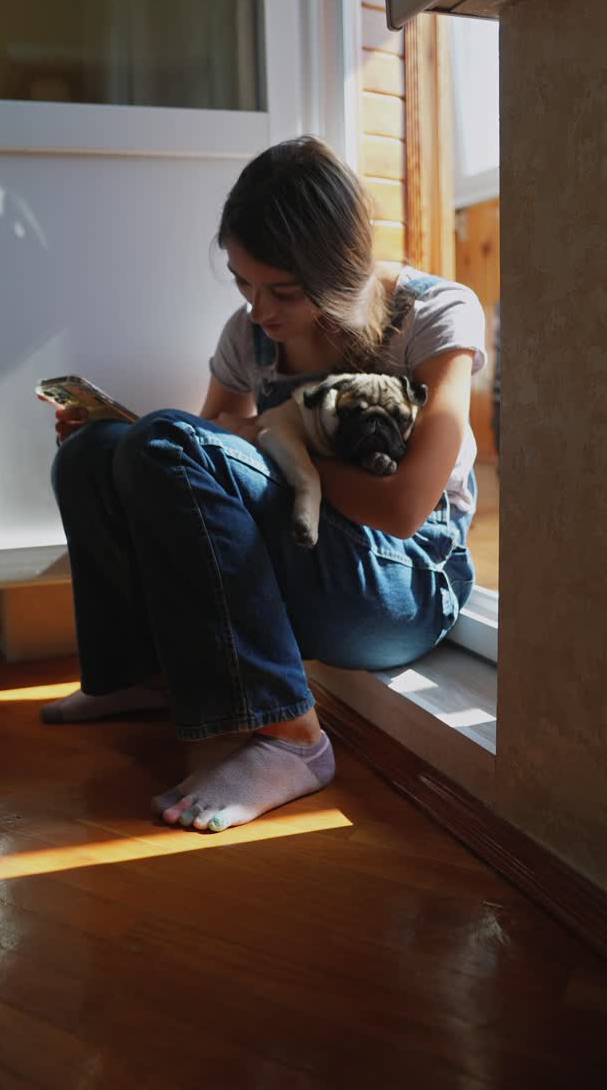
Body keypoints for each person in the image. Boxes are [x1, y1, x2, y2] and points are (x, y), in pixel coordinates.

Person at [41, 136, 486, 834]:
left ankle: (292, 741)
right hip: (301, 566)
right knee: (98, 451)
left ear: (340, 267)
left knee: (165, 440)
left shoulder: (432, 317)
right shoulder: (249, 337)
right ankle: (138, 672)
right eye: (243, 283)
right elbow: (197, 464)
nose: (258, 310)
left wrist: (268, 441)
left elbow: (403, 509)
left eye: (281, 290)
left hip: (396, 586)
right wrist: (132, 442)